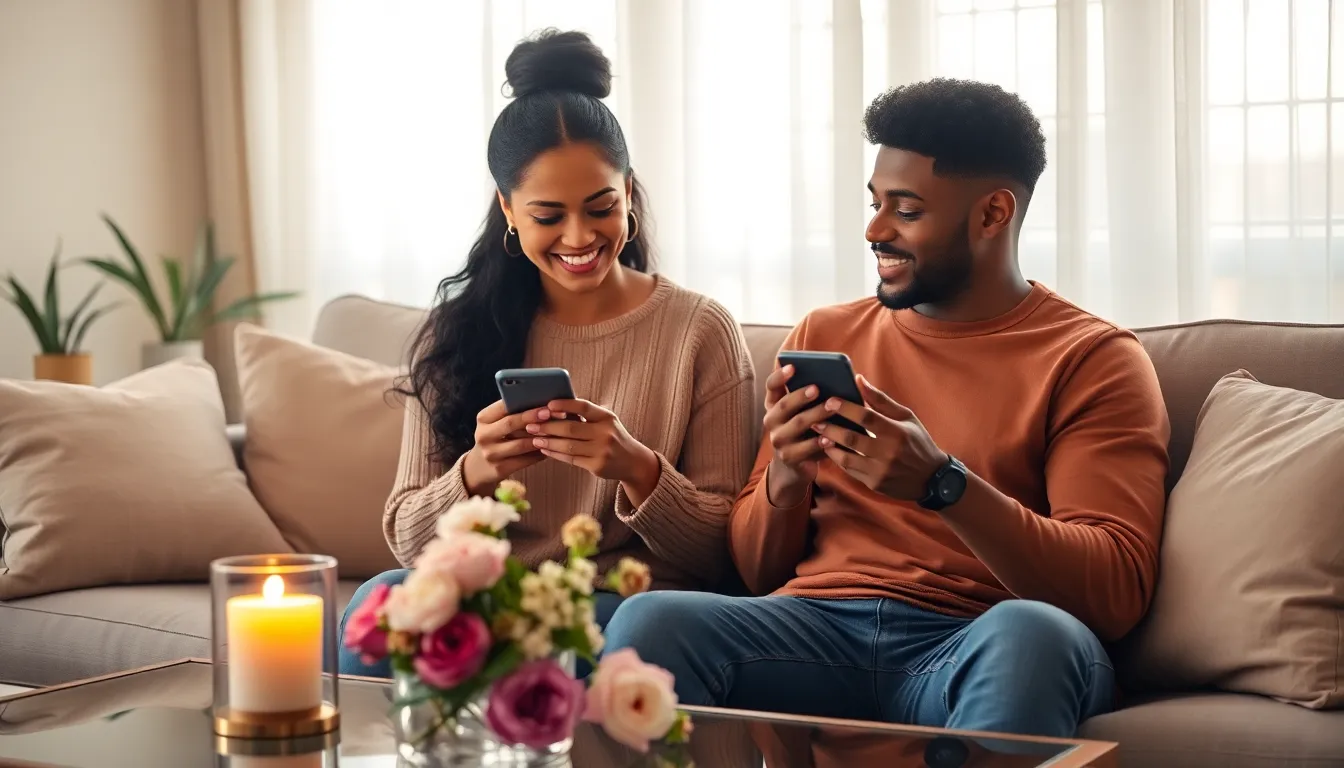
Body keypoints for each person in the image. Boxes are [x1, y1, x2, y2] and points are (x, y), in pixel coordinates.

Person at [601, 78, 1171, 739]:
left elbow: (1115, 590)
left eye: (906, 210)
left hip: (976, 639)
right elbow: (756, 572)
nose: (874, 230)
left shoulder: (1092, 358)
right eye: (875, 203)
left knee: (1033, 636)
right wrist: (786, 475)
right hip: (815, 633)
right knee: (649, 622)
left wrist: (943, 485)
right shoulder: (825, 334)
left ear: (992, 214)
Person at [338, 29, 756, 678]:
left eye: (600, 207)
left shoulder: (699, 331)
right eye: (548, 216)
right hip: (493, 600)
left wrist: (638, 469)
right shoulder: (459, 332)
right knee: (381, 602)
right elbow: (409, 542)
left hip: (627, 611)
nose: (579, 237)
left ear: (628, 193)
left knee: (636, 629)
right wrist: (476, 472)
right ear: (507, 209)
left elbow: (730, 553)